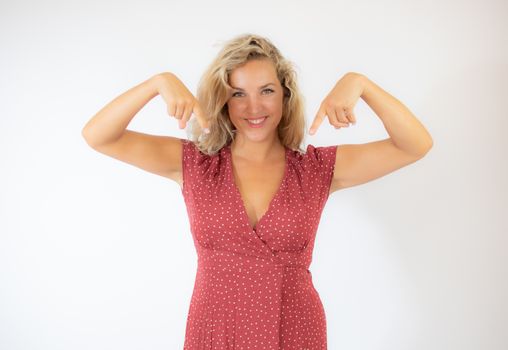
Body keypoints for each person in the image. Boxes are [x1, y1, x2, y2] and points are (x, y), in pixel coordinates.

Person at [82, 33, 433, 349]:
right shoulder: (195, 165)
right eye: (238, 94)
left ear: (285, 95)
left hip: (294, 329)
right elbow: (99, 136)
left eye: (266, 90)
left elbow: (414, 145)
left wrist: (360, 83)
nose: (253, 108)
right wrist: (158, 83)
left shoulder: (315, 169)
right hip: (215, 330)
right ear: (224, 101)